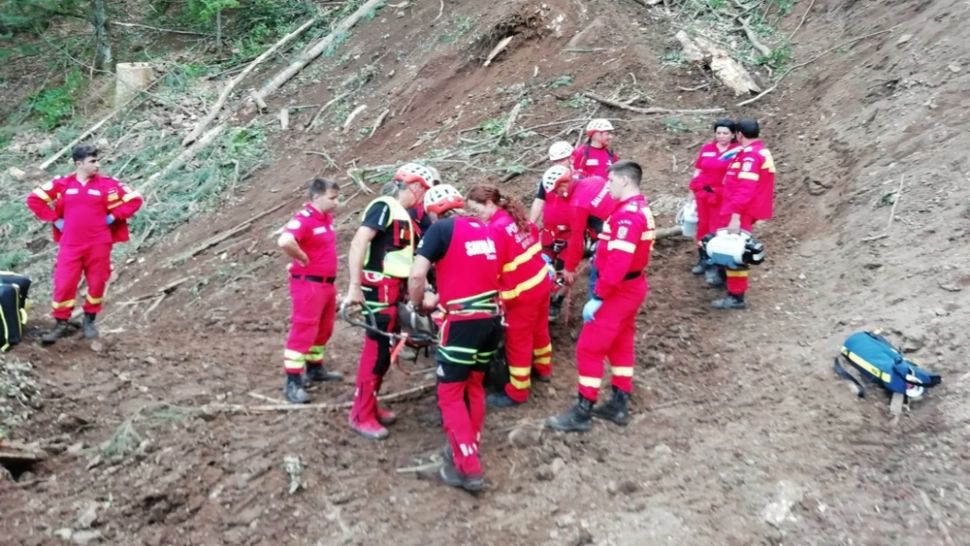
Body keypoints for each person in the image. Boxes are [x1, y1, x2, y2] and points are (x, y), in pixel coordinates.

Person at [547, 160, 655, 433]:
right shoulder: (636, 209)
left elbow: (618, 262)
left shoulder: (627, 216)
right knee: (621, 342)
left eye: (611, 182)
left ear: (625, 181)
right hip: (632, 287)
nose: (607, 187)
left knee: (589, 348)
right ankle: (620, 400)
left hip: (618, 291)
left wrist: (600, 295)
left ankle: (583, 410)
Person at [408, 184, 501, 492]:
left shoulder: (440, 229)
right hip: (492, 318)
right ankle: (469, 445)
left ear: (434, 213)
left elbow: (417, 275)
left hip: (462, 322)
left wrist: (419, 302)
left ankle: (468, 468)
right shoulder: (485, 228)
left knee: (449, 394)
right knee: (474, 385)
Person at [343, 162, 434, 439]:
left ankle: (370, 404)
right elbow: (359, 243)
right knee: (376, 354)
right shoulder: (383, 205)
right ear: (417, 186)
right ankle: (360, 413)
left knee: (383, 354)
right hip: (377, 294)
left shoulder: (403, 215)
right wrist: (354, 286)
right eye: (424, 190)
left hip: (392, 293)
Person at [26, 144, 143, 344]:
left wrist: (114, 216)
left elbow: (135, 199)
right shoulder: (62, 184)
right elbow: (34, 199)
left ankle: (90, 320)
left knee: (97, 282)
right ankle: (60, 323)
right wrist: (55, 219)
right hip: (70, 244)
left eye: (97, 160)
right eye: (92, 161)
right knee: (64, 284)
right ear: (79, 164)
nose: (97, 165)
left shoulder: (108, 184)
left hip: (99, 243)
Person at [465, 185, 553, 407]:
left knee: (518, 342)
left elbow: (490, 265)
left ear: (489, 204)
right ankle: (544, 369)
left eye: (477, 210)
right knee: (540, 330)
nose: (476, 216)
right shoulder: (513, 216)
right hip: (540, 282)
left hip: (520, 294)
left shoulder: (495, 230)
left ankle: (518, 391)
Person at [277, 177, 344, 404]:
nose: (336, 202)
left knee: (324, 328)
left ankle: (315, 368)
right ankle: (293, 382)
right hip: (308, 284)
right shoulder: (304, 219)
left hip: (326, 284)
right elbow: (285, 241)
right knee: (304, 330)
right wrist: (302, 258)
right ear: (317, 197)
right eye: (332, 198)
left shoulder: (326, 219)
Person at [712, 118, 775, 310]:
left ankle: (736, 296)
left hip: (740, 211)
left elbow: (746, 189)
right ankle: (725, 278)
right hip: (739, 208)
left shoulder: (750, 157)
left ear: (739, 134)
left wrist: (736, 216)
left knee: (734, 250)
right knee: (730, 247)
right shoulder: (755, 151)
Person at [688, 119, 739, 278]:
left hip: (722, 196)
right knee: (702, 226)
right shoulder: (707, 148)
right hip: (703, 193)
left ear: (733, 135)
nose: (721, 136)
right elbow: (698, 170)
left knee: (717, 227)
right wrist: (691, 191)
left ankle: (717, 263)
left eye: (725, 133)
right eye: (718, 133)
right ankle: (703, 258)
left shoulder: (737, 151)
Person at [537, 165, 575, 321]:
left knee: (564, 272)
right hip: (549, 235)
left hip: (570, 237)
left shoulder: (576, 187)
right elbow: (538, 202)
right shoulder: (548, 182)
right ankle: (542, 299)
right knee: (542, 268)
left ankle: (556, 301)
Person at [528, 140, 574, 224]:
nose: (559, 164)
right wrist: (531, 223)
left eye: (562, 160)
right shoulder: (548, 178)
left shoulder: (578, 178)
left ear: (571, 158)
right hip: (551, 230)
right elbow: (539, 201)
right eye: (556, 161)